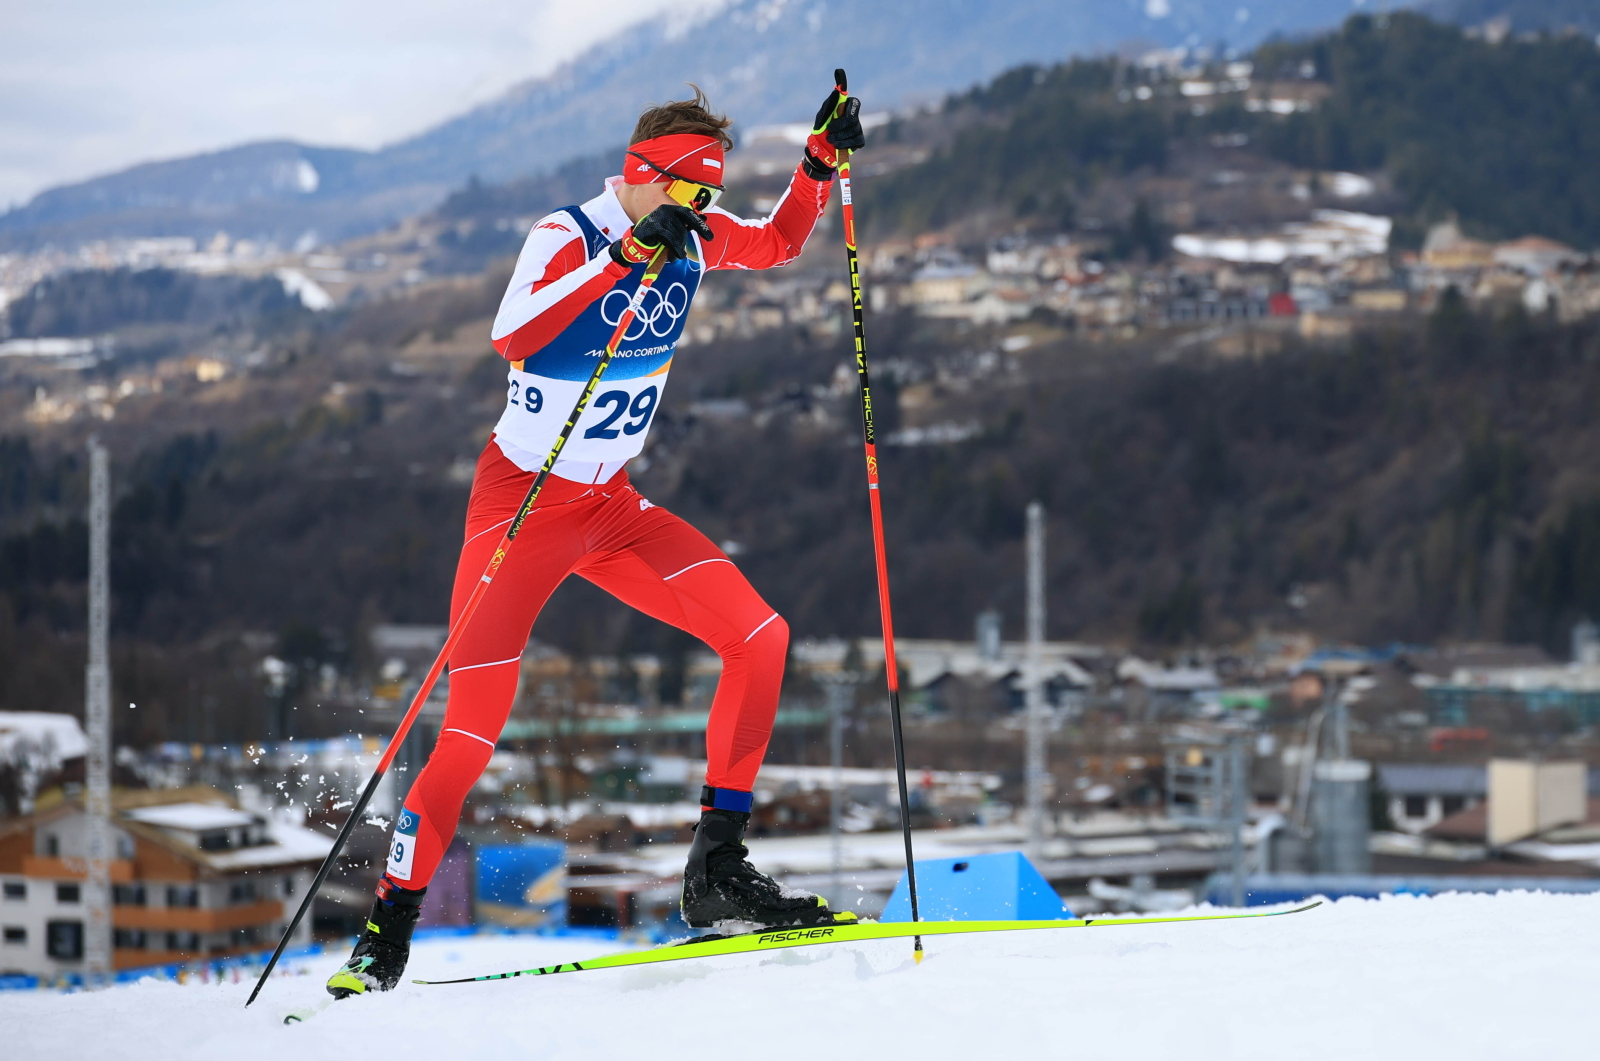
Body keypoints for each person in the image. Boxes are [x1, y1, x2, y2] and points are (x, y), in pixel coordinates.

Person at [327, 81, 866, 998]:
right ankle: (388, 930)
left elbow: (775, 242)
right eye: (691, 195)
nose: (703, 214)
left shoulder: (690, 231)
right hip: (521, 507)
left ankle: (718, 868)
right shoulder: (566, 235)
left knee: (760, 637)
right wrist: (620, 257)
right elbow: (514, 335)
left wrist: (818, 165)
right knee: (467, 732)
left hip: (610, 508)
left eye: (710, 196)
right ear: (644, 176)